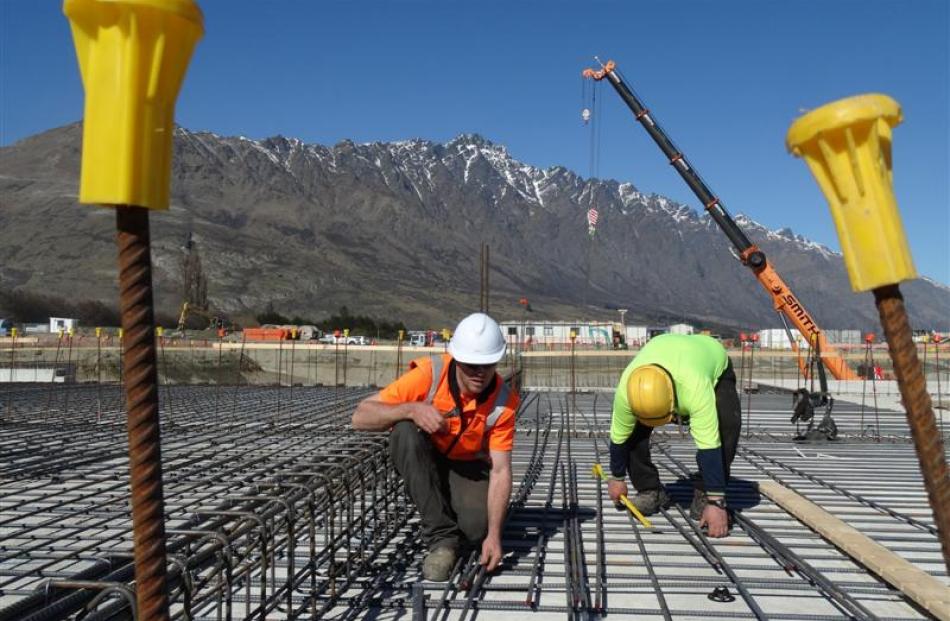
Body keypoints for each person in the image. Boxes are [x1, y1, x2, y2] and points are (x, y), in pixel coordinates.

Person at [352, 313, 519, 580]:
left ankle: (441, 500)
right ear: (457, 358)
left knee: (476, 530)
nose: (479, 373)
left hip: (465, 465)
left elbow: (500, 471)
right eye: (471, 364)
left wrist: (494, 536)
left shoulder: (503, 401)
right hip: (425, 456)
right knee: (403, 431)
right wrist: (411, 409)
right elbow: (360, 416)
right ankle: (442, 540)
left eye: (487, 365)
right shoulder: (431, 374)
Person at [607, 333, 741, 538]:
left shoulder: (694, 388)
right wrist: (616, 477)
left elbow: (709, 444)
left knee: (726, 427)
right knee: (633, 434)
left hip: (712, 360)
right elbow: (619, 439)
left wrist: (717, 502)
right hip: (669, 355)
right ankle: (650, 490)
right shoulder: (627, 391)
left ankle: (706, 491)